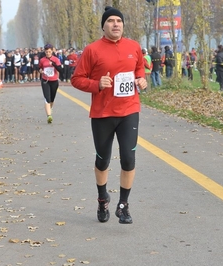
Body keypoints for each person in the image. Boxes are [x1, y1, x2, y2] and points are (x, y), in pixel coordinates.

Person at [71, 6, 147, 224]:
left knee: (128, 158)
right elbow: (77, 79)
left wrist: (141, 80)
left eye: (119, 21)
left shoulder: (134, 46)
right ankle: (102, 198)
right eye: (111, 21)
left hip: (129, 110)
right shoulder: (92, 50)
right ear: (103, 26)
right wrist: (97, 84)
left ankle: (123, 205)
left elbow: (140, 69)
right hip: (103, 113)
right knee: (102, 160)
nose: (116, 24)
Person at [38, 43, 63, 123]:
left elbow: (60, 70)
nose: (48, 53)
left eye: (49, 51)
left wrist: (53, 64)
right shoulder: (42, 60)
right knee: (47, 98)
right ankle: (49, 116)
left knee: (52, 99)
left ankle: (49, 109)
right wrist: (40, 71)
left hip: (54, 81)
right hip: (45, 81)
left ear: (52, 51)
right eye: (46, 52)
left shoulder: (56, 59)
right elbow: (39, 68)